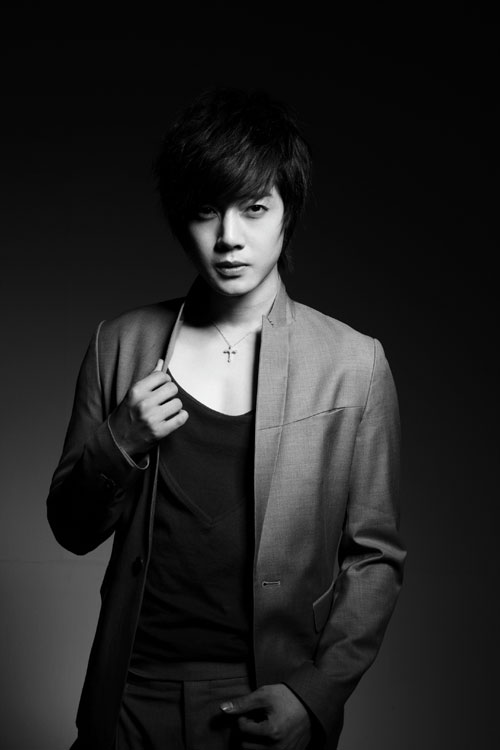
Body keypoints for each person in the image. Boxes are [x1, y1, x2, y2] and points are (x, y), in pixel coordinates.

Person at [47, 87, 406, 750]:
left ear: (288, 212)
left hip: (266, 698)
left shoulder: (354, 365)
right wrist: (120, 441)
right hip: (130, 695)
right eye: (206, 211)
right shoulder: (119, 343)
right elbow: (70, 529)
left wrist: (315, 695)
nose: (228, 238)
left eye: (254, 208)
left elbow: (374, 558)